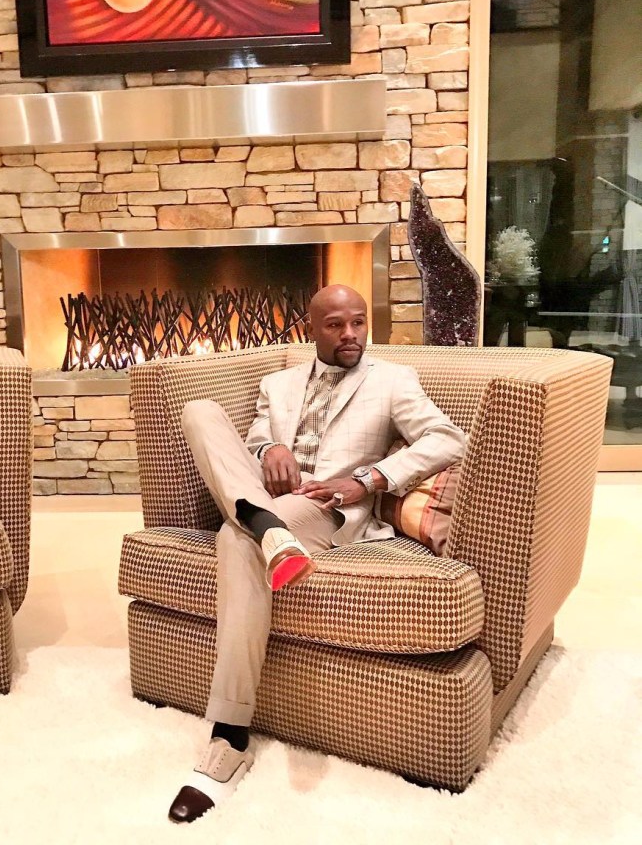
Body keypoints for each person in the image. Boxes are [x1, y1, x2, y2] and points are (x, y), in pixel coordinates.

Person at [168, 284, 466, 823]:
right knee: (199, 411)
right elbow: (254, 440)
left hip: (324, 509)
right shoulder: (276, 383)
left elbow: (448, 439)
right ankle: (263, 525)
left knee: (234, 539)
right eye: (335, 325)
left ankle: (229, 736)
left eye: (357, 322)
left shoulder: (392, 380)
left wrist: (369, 479)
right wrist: (268, 449)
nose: (350, 333)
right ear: (311, 328)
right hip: (263, 494)